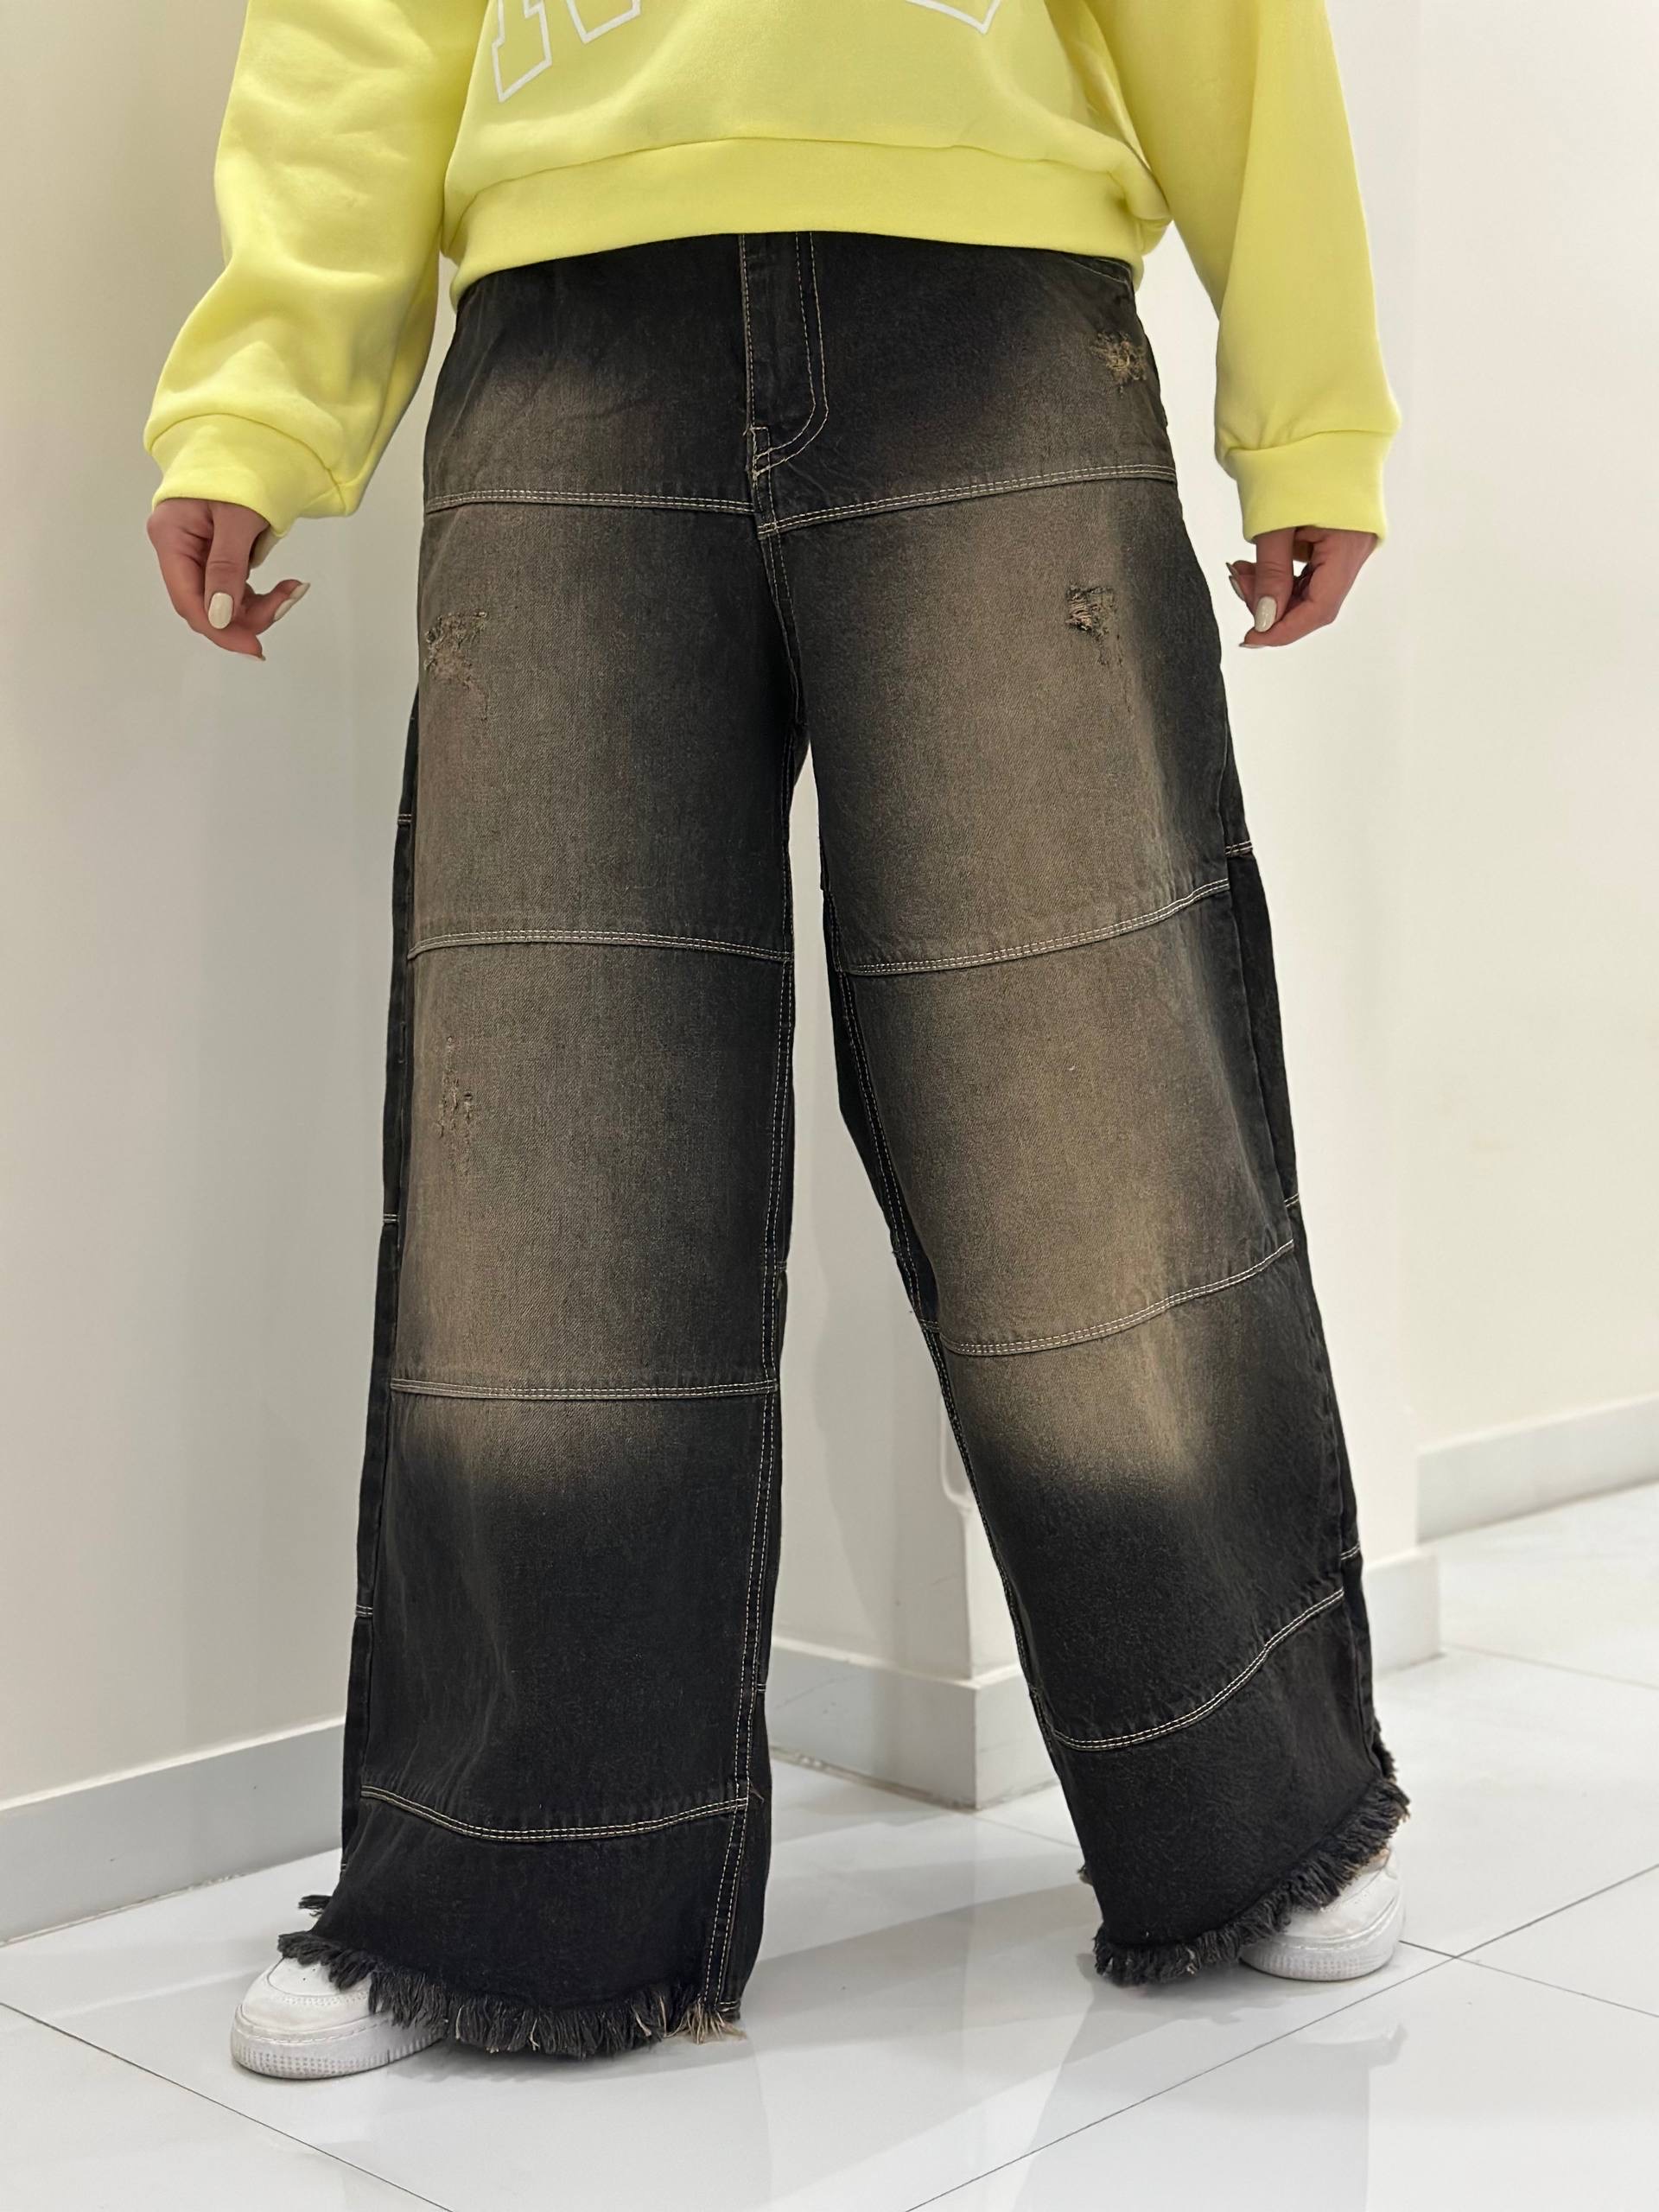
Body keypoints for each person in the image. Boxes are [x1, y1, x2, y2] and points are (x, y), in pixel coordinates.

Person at [143, 0, 1409, 2082]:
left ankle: (1256, 1810)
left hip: (993, 298)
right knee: (544, 1127)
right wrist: (263, 397)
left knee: (1087, 1102)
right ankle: (511, 1882)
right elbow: (363, 22)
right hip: (570, 321)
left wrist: (1314, 407)